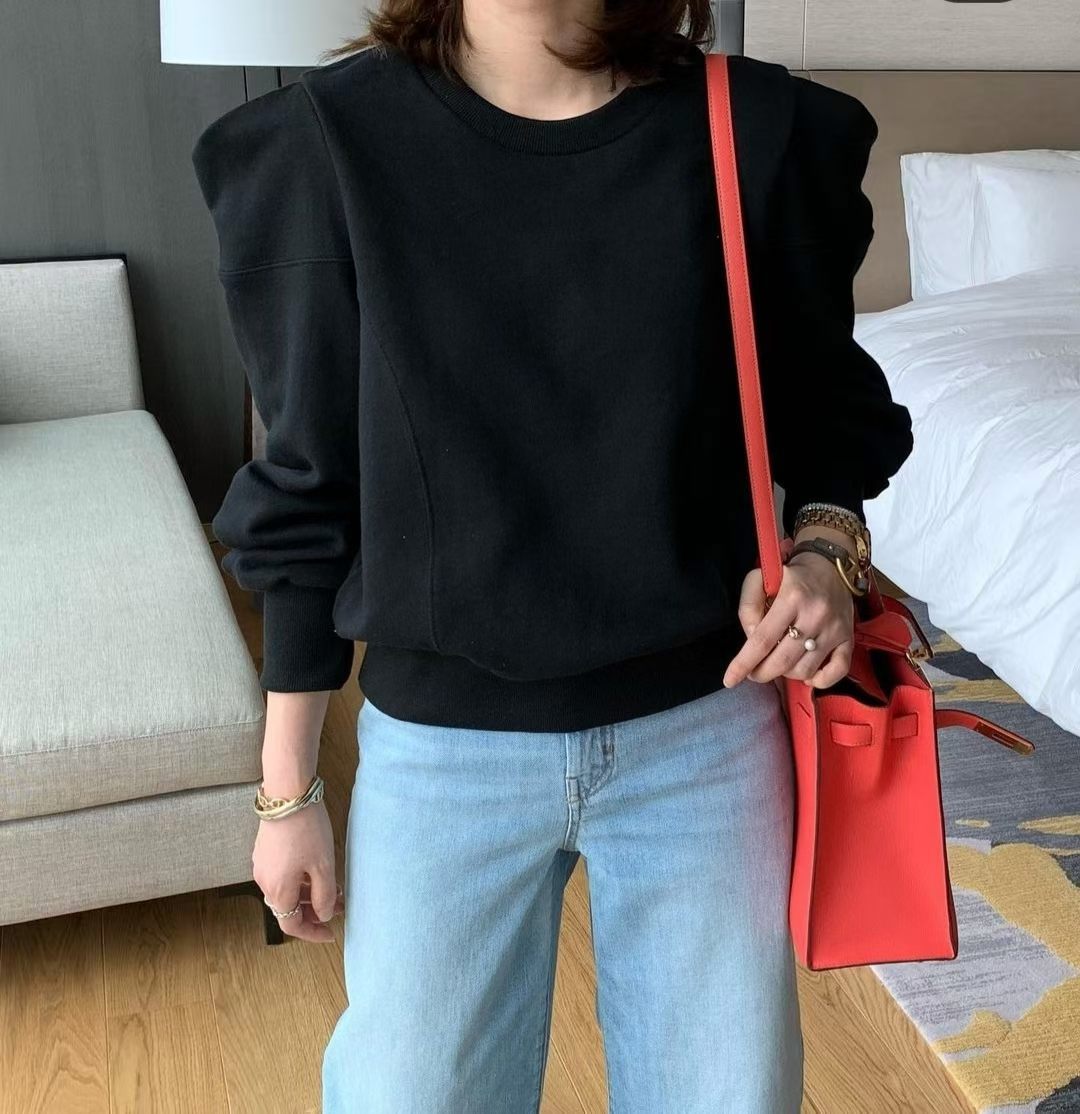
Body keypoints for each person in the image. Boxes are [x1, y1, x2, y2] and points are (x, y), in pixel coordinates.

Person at [191, 0, 913, 1110]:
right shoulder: (325, 146)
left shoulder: (756, 132)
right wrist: (288, 790)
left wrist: (823, 555)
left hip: (707, 740)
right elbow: (306, 482)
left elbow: (828, 424)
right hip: (442, 758)